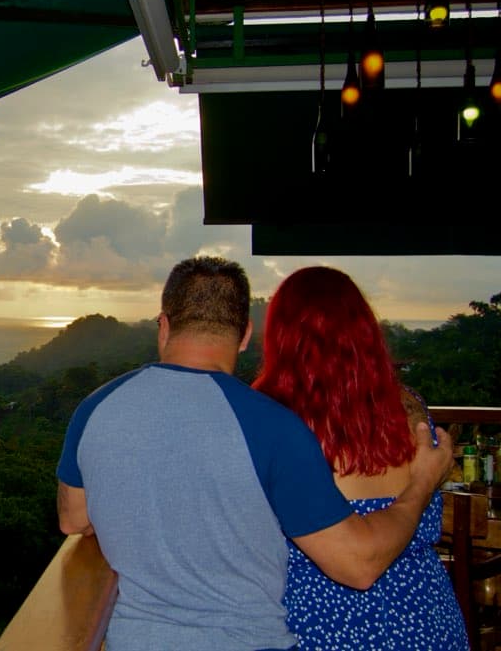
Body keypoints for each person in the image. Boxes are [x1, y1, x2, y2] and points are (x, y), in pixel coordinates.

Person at [56, 256, 454, 651]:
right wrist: (421, 485)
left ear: (163, 325)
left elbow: (74, 518)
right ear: (245, 334)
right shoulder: (277, 424)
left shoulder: (94, 407)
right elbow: (357, 563)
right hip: (383, 625)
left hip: (151, 639)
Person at [252, 266, 467, 649]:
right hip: (423, 619)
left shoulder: (269, 422)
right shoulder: (412, 411)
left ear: (281, 339)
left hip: (318, 626)